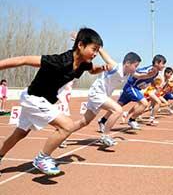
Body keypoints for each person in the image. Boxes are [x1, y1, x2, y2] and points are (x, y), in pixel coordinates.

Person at [0, 27, 107, 175]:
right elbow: (23, 60)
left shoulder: (83, 63)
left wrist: (102, 68)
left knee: (20, 134)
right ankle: (42, 158)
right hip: (34, 99)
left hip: (40, 99)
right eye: (94, 49)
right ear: (80, 45)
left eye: (97, 51)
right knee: (67, 125)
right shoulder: (59, 61)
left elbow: (92, 69)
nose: (95, 54)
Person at [72, 50, 143, 146]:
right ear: (127, 63)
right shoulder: (115, 66)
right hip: (97, 93)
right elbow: (103, 53)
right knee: (118, 110)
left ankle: (63, 132)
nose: (136, 69)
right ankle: (105, 136)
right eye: (135, 66)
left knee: (84, 122)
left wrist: (152, 73)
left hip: (102, 95)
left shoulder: (129, 73)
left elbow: (141, 76)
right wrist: (82, 38)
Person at [103, 54, 167, 130]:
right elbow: (135, 71)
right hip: (131, 87)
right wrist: (144, 75)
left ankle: (102, 120)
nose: (164, 66)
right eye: (163, 63)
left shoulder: (156, 73)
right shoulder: (150, 70)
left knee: (117, 106)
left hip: (132, 88)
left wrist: (154, 85)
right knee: (144, 103)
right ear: (156, 63)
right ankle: (132, 120)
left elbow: (151, 79)